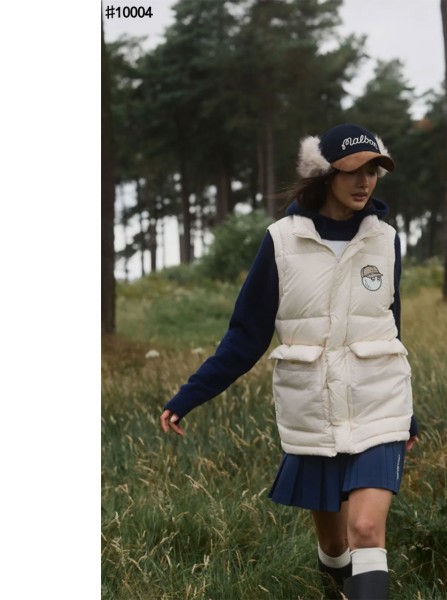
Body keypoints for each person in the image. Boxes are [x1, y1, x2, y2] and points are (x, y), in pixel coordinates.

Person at [160, 123, 419, 600]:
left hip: (379, 404)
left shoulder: (386, 240)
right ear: (325, 174)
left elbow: (388, 327)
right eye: (353, 171)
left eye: (374, 171)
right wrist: (189, 396)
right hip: (313, 409)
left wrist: (408, 414)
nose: (365, 182)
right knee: (335, 545)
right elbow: (247, 334)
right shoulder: (281, 241)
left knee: (365, 529)